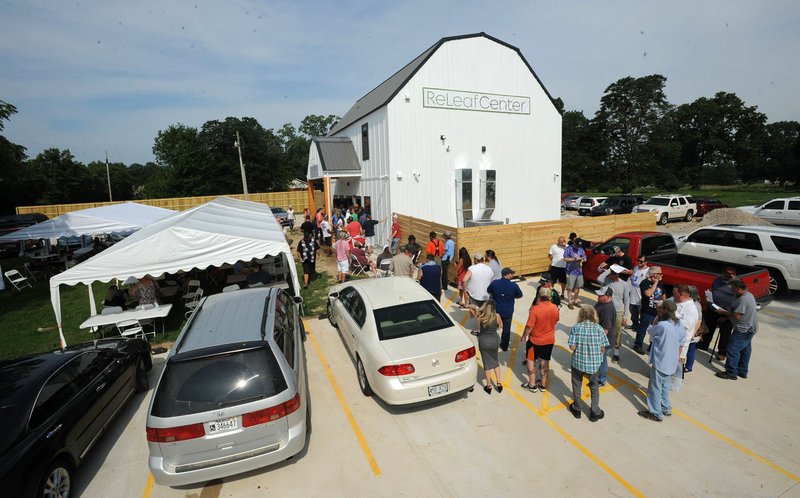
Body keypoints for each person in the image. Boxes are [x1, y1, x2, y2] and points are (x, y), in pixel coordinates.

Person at [639, 301, 683, 422]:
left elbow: (650, 330)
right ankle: (666, 407)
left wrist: (657, 318)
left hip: (661, 361)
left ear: (664, 310)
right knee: (665, 386)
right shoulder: (679, 324)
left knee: (655, 387)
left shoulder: (662, 325)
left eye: (660, 309)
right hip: (672, 361)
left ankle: (656, 413)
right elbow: (682, 341)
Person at [568, 305, 610, 421]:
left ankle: (577, 408)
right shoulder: (599, 329)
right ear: (593, 315)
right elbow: (603, 348)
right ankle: (595, 411)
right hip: (594, 364)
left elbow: (572, 347)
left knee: (577, 384)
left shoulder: (576, 327)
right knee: (594, 386)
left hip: (578, 362)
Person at [715, 279, 758, 380]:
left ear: (739, 289)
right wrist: (727, 317)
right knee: (745, 350)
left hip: (743, 329)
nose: (732, 291)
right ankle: (742, 371)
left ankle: (731, 372)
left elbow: (737, 316)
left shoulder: (742, 299)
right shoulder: (749, 295)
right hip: (751, 328)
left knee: (732, 349)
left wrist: (724, 313)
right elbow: (740, 313)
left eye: (733, 289)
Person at [521, 287, 560, 392]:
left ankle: (532, 384)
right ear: (550, 297)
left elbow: (529, 326)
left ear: (539, 296)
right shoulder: (555, 308)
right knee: (544, 362)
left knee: (530, 361)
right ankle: (543, 385)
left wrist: (524, 336)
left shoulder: (535, 309)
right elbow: (556, 320)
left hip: (535, 341)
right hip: (549, 340)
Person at [698, 267, 737, 361]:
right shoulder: (718, 279)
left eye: (730, 274)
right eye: (726, 274)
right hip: (713, 308)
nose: (727, 276)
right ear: (723, 273)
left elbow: (739, 300)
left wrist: (728, 316)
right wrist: (710, 292)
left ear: (734, 275)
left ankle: (722, 352)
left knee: (725, 333)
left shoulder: (736, 284)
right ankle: (704, 344)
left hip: (726, 312)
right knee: (708, 327)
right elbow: (713, 288)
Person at [471, 299, 503, 394]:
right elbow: (500, 326)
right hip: (494, 340)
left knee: (487, 364)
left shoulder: (480, 317)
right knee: (495, 361)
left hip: (484, 341)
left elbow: (478, 329)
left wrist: (477, 308)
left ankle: (488, 385)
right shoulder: (497, 316)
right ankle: (499, 383)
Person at [487, 267, 523, 351]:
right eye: (512, 274)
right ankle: (504, 346)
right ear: (508, 275)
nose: (512, 275)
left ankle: (491, 343)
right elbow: (520, 295)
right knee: (506, 330)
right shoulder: (513, 285)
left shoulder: (495, 283)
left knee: (492, 327)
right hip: (508, 312)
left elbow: (488, 290)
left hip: (496, 311)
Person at [634, 266, 665, 355]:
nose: (662, 275)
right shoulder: (645, 283)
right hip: (647, 311)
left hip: (657, 312)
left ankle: (651, 346)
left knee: (656, 330)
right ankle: (637, 345)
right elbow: (648, 294)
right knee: (642, 329)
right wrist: (655, 283)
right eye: (660, 273)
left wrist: (664, 306)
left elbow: (663, 295)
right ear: (654, 275)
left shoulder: (660, 283)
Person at [463, 253, 494, 335]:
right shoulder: (489, 268)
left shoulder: (472, 268)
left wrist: (465, 289)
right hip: (486, 295)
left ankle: (478, 329)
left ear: (476, 260)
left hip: (474, 295)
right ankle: (485, 326)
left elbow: (464, 279)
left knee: (477, 312)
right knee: (485, 312)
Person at [605, 267, 630, 363]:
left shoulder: (624, 284)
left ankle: (616, 352)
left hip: (618, 311)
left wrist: (626, 315)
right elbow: (599, 278)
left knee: (617, 332)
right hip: (607, 310)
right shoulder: (607, 281)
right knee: (604, 329)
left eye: (613, 273)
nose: (611, 275)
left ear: (617, 274)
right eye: (610, 273)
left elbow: (627, 300)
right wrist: (608, 269)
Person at [674, 284, 699, 374]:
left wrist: (672, 315)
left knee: (675, 370)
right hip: (671, 342)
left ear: (682, 294)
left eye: (675, 293)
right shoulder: (676, 302)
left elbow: (684, 326)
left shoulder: (691, 309)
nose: (673, 295)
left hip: (680, 346)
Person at [594, 286, 617, 386]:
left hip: (604, 341)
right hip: (599, 337)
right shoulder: (602, 302)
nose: (598, 296)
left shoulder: (607, 309)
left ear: (608, 296)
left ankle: (601, 379)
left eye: (600, 295)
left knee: (602, 361)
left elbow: (605, 330)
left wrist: (600, 344)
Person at [684, 286, 704, 372]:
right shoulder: (693, 302)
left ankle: (688, 367)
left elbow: (699, 320)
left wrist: (693, 333)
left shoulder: (696, 305)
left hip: (693, 331)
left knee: (690, 349)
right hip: (691, 330)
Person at [562, 237, 586, 309]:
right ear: (574, 243)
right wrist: (574, 259)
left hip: (579, 271)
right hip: (570, 271)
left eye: (579, 246)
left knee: (578, 286)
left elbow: (585, 257)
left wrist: (583, 259)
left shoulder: (581, 249)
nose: (578, 247)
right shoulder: (569, 248)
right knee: (570, 287)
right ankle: (569, 302)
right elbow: (565, 258)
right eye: (577, 245)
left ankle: (575, 301)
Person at [628, 255, 650, 329]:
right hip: (632, 295)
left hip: (641, 297)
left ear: (646, 262)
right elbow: (631, 279)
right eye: (638, 261)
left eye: (641, 261)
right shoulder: (636, 268)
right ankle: (635, 325)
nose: (639, 262)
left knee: (642, 314)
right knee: (633, 312)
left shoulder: (648, 271)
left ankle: (641, 327)